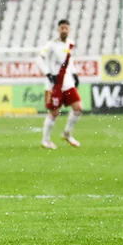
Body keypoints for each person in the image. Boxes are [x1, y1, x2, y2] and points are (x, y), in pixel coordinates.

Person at [38, 19, 83, 149]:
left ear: (69, 30)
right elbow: (38, 59)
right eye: (62, 28)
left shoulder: (70, 44)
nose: (64, 30)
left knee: (78, 108)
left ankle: (67, 133)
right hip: (54, 84)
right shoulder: (51, 44)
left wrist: (74, 73)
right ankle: (45, 140)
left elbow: (70, 60)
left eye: (66, 28)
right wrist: (48, 74)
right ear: (58, 29)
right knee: (54, 112)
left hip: (67, 82)